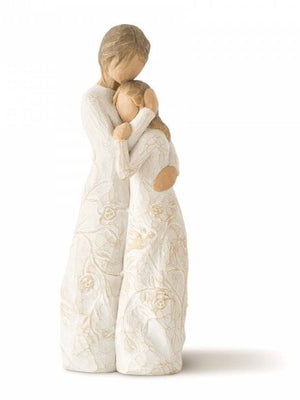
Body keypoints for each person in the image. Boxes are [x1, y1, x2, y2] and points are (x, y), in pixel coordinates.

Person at [60, 25, 178, 372]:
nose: (132, 76)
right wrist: (146, 115)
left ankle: (132, 347)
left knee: (132, 270)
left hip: (136, 198)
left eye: (138, 69)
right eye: (128, 67)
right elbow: (113, 153)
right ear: (108, 58)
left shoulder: (126, 94)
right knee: (98, 267)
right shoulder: (92, 100)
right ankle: (90, 350)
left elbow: (145, 145)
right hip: (107, 194)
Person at [111, 80, 188, 375]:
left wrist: (120, 141)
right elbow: (174, 162)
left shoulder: (151, 138)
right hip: (156, 211)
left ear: (138, 105)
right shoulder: (159, 134)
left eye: (121, 104)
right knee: (149, 271)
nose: (118, 110)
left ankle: (145, 351)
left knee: (145, 273)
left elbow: (124, 170)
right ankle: (153, 348)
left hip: (150, 216)